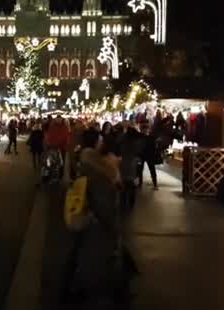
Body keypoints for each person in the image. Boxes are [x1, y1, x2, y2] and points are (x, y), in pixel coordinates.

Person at [62, 128, 130, 305]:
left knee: (79, 254)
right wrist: (113, 228)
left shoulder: (82, 158)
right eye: (100, 139)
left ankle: (72, 289)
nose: (102, 142)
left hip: (86, 218)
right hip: (96, 224)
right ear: (95, 142)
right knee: (94, 264)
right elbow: (103, 201)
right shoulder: (97, 167)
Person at [118, 122, 146, 210]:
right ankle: (131, 202)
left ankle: (123, 202)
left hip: (124, 163)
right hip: (132, 163)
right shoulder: (136, 142)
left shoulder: (123, 141)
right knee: (131, 184)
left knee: (124, 184)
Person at [138, 124, 159, 190]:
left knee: (151, 169)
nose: (145, 131)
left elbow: (154, 145)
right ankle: (140, 183)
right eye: (144, 130)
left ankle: (155, 184)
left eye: (146, 129)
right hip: (143, 155)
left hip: (148, 155)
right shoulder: (142, 137)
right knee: (140, 169)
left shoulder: (150, 137)